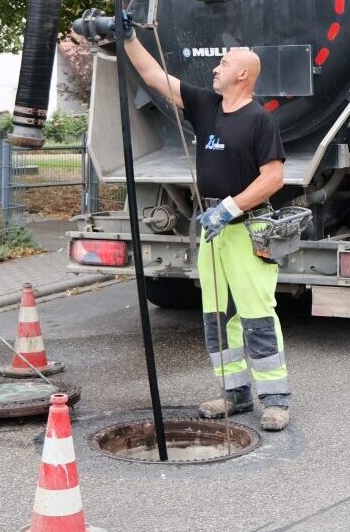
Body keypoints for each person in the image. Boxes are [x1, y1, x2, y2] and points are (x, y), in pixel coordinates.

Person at [121, 22, 291, 432]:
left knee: (255, 315)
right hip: (212, 232)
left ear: (243, 75)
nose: (216, 67)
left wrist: (229, 208)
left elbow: (273, 178)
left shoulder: (259, 120)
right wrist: (127, 39)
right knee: (216, 316)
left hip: (245, 231)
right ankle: (234, 395)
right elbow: (153, 77)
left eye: (224, 62)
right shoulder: (205, 106)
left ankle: (275, 399)